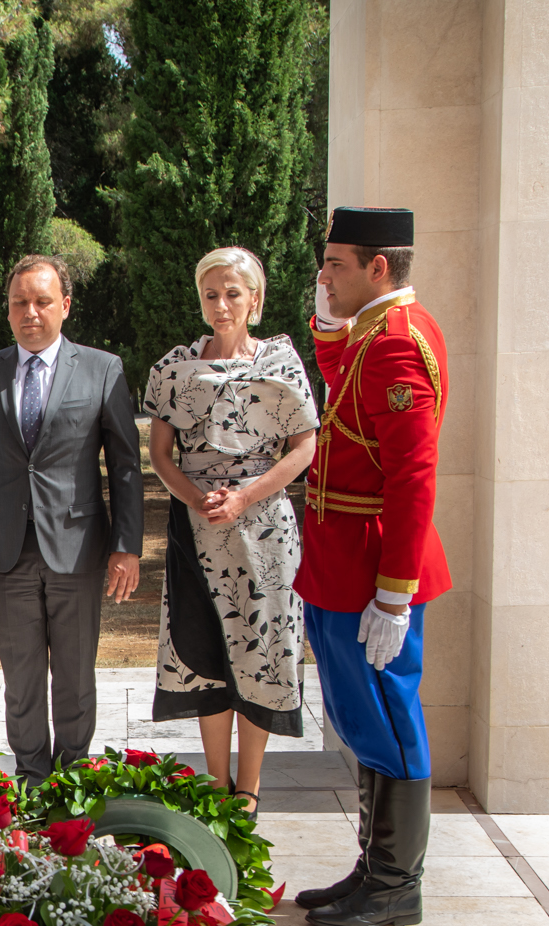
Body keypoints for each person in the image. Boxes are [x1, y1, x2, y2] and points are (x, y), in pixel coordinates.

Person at [293, 206, 451, 926]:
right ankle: (374, 866)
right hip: (342, 561)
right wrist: (328, 326)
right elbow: (343, 396)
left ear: (377, 268)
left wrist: (394, 594)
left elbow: (413, 478)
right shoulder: (369, 338)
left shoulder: (396, 345)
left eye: (335, 264)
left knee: (388, 717)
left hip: (373, 569)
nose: (324, 275)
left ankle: (395, 883)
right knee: (361, 716)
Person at [0, 254, 143, 784]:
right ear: (8, 312)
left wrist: (128, 546)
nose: (30, 312)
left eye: (42, 301)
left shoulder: (104, 369)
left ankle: (73, 781)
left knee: (75, 675)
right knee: (22, 677)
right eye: (19, 303)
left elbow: (124, 465)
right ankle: (32, 778)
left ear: (65, 306)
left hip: (78, 548)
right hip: (6, 550)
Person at [143, 247, 318, 814]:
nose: (222, 305)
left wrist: (246, 496)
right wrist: (197, 498)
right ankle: (215, 783)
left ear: (255, 300)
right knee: (204, 649)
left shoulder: (284, 365)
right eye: (212, 294)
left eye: (233, 293)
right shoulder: (175, 368)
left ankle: (249, 789)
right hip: (196, 528)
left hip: (263, 531)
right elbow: (161, 453)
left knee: (260, 649)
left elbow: (304, 447)